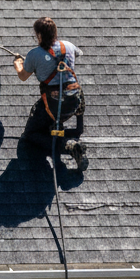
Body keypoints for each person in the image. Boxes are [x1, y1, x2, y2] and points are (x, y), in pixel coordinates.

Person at [13, 17, 88, 170]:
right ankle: (78, 129)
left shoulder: (34, 54)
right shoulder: (68, 45)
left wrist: (19, 64)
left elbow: (23, 76)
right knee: (74, 90)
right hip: (75, 101)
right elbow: (77, 54)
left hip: (53, 106)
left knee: (31, 134)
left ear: (39, 35)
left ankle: (70, 146)